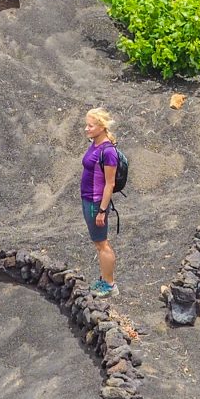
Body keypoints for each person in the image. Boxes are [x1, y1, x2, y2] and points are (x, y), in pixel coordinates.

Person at [80, 107, 119, 297]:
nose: (86, 129)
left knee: (102, 243)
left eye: (90, 125)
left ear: (101, 127)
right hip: (88, 199)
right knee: (98, 243)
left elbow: (109, 184)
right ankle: (104, 279)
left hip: (97, 203)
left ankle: (110, 285)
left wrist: (102, 210)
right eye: (86, 125)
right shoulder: (94, 144)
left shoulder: (108, 151)